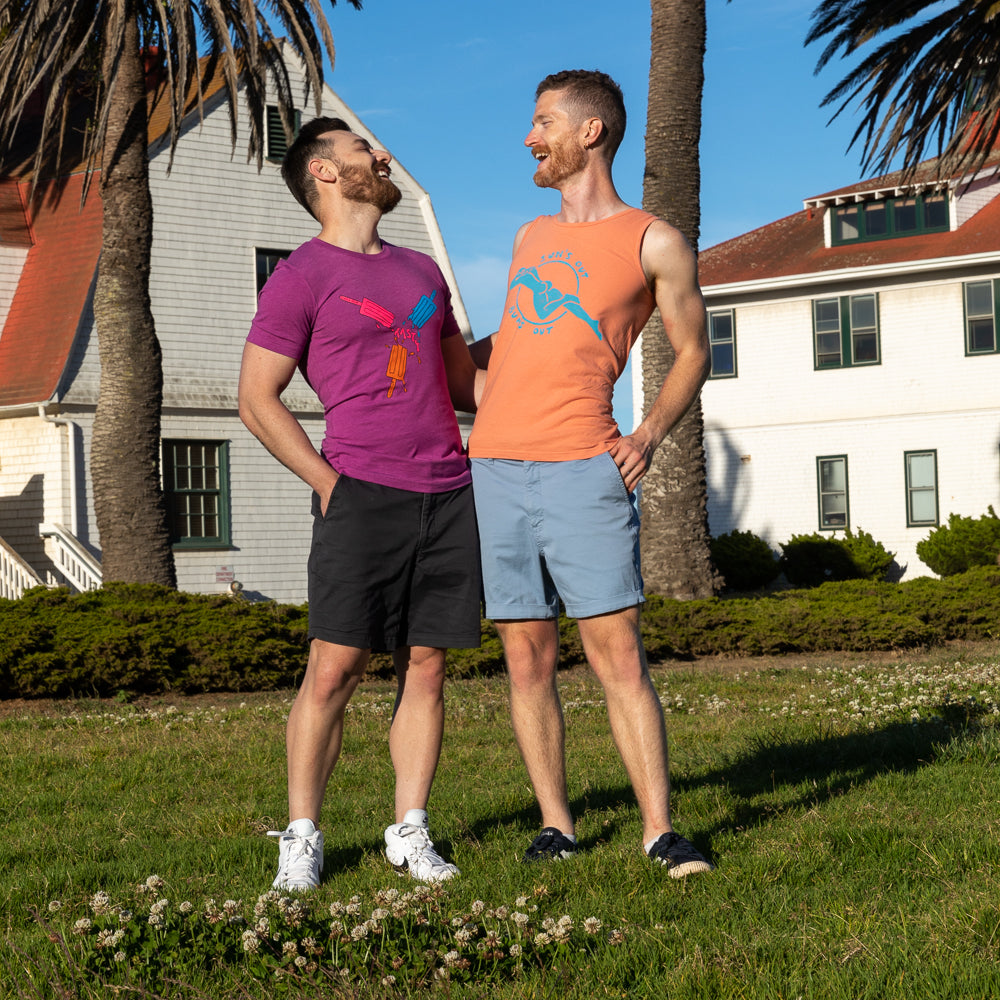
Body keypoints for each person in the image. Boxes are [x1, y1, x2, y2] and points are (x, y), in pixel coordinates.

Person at [468, 70, 714, 876]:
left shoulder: (653, 240)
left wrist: (647, 434)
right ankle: (557, 825)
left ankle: (659, 831)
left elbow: (694, 351)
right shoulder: (527, 238)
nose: (530, 139)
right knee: (526, 660)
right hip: (495, 468)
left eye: (543, 123)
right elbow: (508, 352)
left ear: (590, 133)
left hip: (583, 467)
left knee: (617, 656)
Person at [238, 117, 482, 890]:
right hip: (359, 491)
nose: (380, 156)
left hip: (447, 492)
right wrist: (326, 482)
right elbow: (256, 398)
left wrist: (550, 339)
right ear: (325, 174)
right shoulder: (300, 276)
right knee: (335, 667)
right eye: (361, 150)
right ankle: (303, 836)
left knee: (427, 664)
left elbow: (463, 386)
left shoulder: (421, 273)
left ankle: (410, 830)